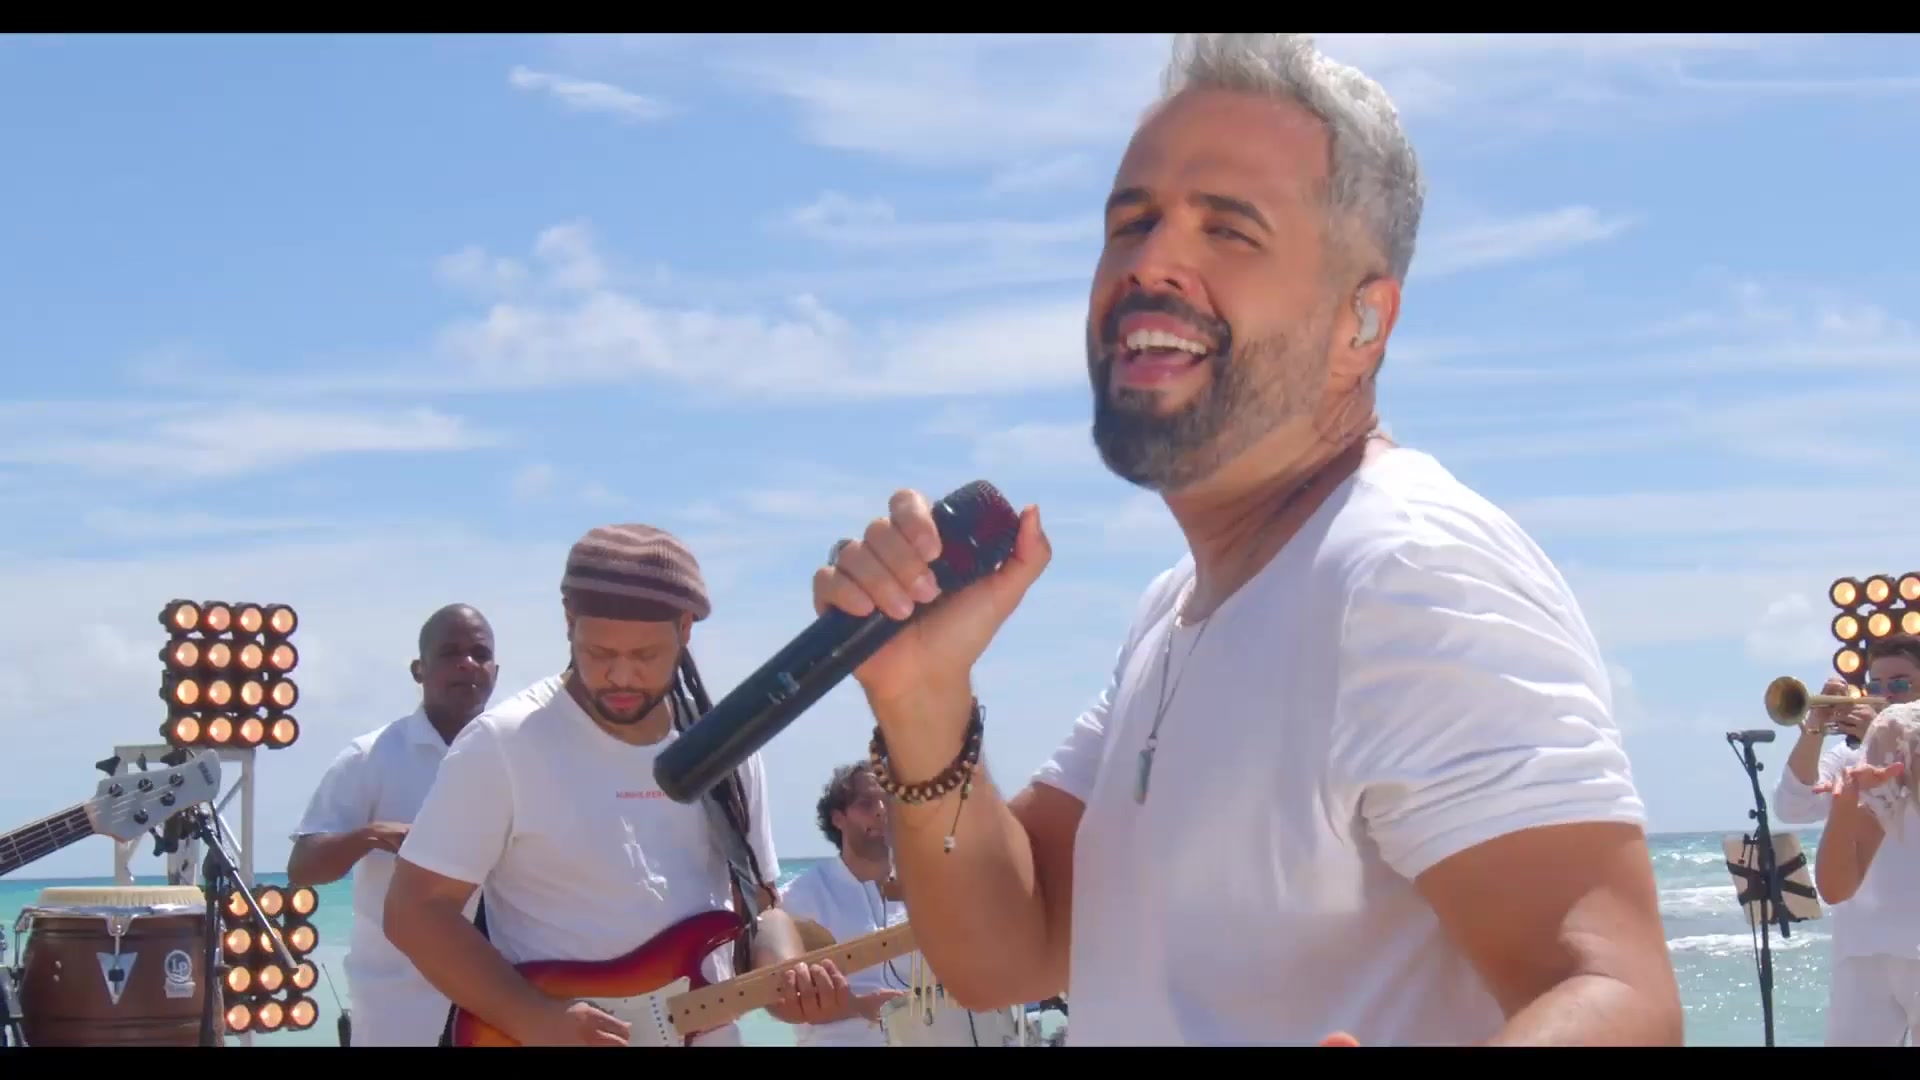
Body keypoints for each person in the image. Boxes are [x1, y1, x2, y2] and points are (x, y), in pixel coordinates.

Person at [806, 33, 1681, 1047]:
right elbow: (1008, 949)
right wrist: (924, 704)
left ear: (1362, 322)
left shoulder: (1407, 573)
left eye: (1229, 229)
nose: (1150, 261)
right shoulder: (1177, 609)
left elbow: (1621, 998)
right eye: (1131, 222)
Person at [383, 523, 854, 1047]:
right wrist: (536, 1019)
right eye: (600, 653)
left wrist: (785, 972)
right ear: (569, 622)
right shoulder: (504, 744)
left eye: (646, 655)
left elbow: (761, 905)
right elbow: (414, 912)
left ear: (685, 628)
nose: (622, 676)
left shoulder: (727, 744)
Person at [285, 603, 499, 1047]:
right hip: (399, 1011)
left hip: (505, 1002)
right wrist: (373, 836)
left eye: (480, 654)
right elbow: (303, 867)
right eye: (450, 652)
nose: (467, 664)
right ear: (419, 669)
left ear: (496, 671)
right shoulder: (371, 757)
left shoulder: (517, 757)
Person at [1779, 635, 1920, 1045]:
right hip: (1862, 945)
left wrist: (1887, 735)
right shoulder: (1852, 756)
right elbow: (1793, 805)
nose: (1886, 694)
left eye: (1900, 683)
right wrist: (1816, 725)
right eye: (1876, 685)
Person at [777, 762, 915, 1046]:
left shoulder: (927, 890)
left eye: (887, 801)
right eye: (866, 803)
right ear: (838, 818)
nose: (881, 810)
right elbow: (781, 998)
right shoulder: (800, 898)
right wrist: (857, 1006)